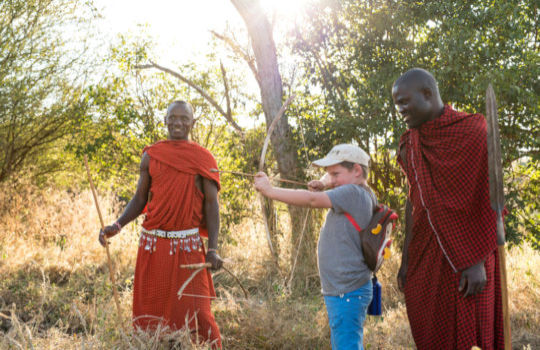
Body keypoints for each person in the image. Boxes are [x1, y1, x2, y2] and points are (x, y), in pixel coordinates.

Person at [392, 68, 504, 349]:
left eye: (405, 102)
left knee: (471, 333)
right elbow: (414, 202)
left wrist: (476, 259)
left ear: (428, 94)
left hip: (472, 259)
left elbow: (490, 198)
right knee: (430, 328)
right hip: (428, 254)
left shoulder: (474, 131)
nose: (401, 110)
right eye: (397, 105)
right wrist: (406, 260)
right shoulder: (410, 143)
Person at [99, 100, 223, 348]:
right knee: (150, 315)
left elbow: (212, 205)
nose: (178, 122)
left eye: (184, 118)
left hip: (188, 248)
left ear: (192, 123)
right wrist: (118, 224)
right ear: (164, 120)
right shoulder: (151, 155)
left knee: (198, 313)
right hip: (152, 246)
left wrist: (213, 248)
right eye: (173, 117)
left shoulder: (202, 158)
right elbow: (140, 198)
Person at [254, 144, 375, 350]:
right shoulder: (359, 190)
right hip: (344, 290)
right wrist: (324, 181)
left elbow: (310, 199)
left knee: (347, 345)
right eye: (329, 174)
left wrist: (269, 190)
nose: (332, 179)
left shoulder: (352, 193)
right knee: (343, 343)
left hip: (347, 292)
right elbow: (329, 180)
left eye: (336, 174)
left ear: (357, 171)